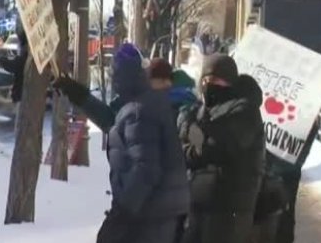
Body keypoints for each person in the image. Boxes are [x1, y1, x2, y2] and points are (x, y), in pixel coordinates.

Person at [54, 43, 190, 243]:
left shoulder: (139, 110)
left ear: (123, 77)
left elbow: (146, 170)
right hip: (159, 209)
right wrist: (78, 94)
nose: (111, 78)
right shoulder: (141, 103)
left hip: (149, 212)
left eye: (114, 73)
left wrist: (122, 213)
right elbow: (114, 122)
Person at [178, 54, 265, 243]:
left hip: (229, 213)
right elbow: (186, 147)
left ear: (229, 82)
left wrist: (195, 139)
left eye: (215, 80)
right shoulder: (200, 110)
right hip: (198, 209)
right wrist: (193, 139)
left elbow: (216, 147)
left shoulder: (245, 111)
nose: (209, 85)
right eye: (205, 80)